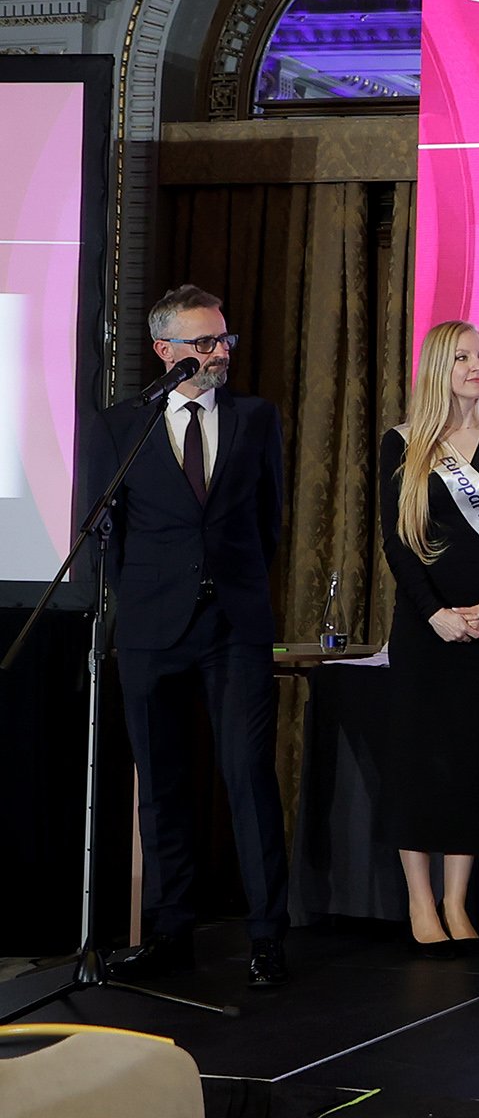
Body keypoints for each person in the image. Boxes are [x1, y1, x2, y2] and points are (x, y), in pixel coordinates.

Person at [88, 285, 290, 988]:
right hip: (152, 627)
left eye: (223, 340)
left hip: (233, 625)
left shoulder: (255, 418)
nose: (219, 354)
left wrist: (233, 586)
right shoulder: (121, 427)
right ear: (164, 350)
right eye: (204, 343)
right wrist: (140, 600)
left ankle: (267, 935)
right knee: (162, 783)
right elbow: (109, 534)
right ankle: (172, 930)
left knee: (248, 775)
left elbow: (268, 521)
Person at [378, 320, 479, 955]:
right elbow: (397, 540)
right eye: (465, 356)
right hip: (426, 627)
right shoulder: (403, 443)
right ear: (439, 366)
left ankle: (456, 901)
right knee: (418, 762)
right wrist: (435, 613)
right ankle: (420, 902)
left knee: (473, 761)